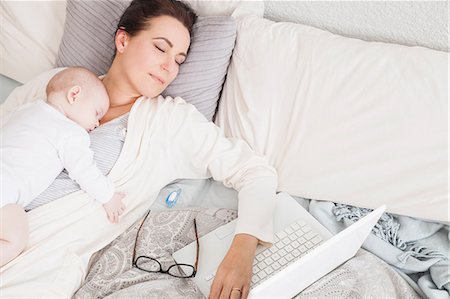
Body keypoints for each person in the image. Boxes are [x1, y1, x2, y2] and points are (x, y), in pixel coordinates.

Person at [0, 67, 126, 267]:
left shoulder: (28, 108)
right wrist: (108, 196)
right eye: (96, 113)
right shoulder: (72, 133)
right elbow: (84, 171)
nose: (96, 124)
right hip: (5, 192)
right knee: (14, 238)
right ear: (74, 94)